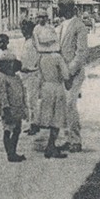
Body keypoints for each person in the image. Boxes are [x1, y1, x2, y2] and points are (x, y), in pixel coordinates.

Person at [56, 0, 90, 152]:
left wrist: (69, 73)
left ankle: (76, 140)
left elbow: (81, 53)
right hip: (61, 73)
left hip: (73, 73)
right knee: (64, 107)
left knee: (70, 104)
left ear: (68, 9)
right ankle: (68, 139)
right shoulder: (61, 26)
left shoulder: (79, 26)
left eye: (60, 7)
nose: (58, 10)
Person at [34, 26, 70, 159]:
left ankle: (51, 145)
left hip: (46, 88)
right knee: (57, 118)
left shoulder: (41, 58)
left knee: (48, 118)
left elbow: (39, 75)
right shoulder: (57, 58)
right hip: (56, 87)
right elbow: (66, 76)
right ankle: (51, 146)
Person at [0, 53, 29, 162]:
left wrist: (25, 107)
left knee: (17, 130)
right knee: (8, 130)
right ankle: (10, 154)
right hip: (9, 108)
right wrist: (6, 109)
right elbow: (3, 95)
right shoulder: (2, 78)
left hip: (18, 108)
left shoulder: (17, 77)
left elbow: (23, 92)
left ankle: (13, 151)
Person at [18, 16, 43, 133]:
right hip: (26, 75)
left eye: (25, 29)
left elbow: (37, 58)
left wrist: (32, 68)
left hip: (32, 74)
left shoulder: (33, 42)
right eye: (22, 29)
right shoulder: (27, 41)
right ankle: (32, 123)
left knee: (32, 101)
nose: (23, 31)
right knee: (29, 100)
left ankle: (35, 124)